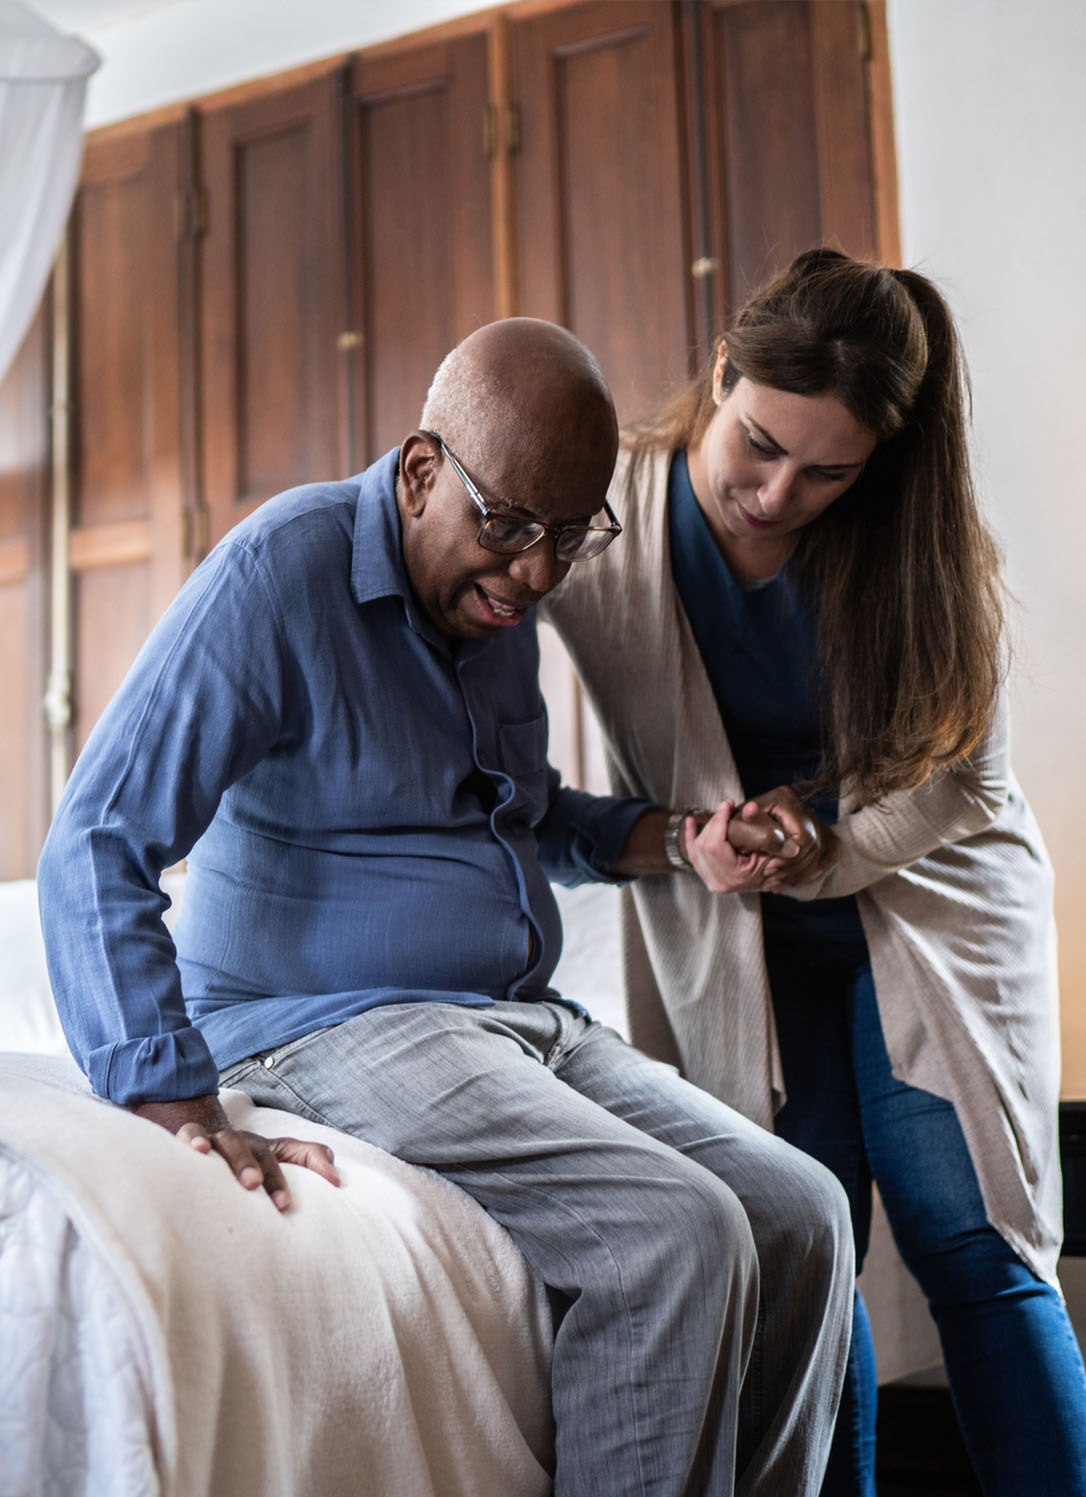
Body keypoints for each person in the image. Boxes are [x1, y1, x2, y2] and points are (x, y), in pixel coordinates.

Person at [38, 317, 854, 1497]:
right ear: (422, 472)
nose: (535, 574)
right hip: (328, 1021)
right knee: (673, 1238)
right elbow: (98, 838)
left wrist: (673, 837)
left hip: (516, 1017)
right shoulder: (280, 577)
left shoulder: (491, 608)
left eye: (569, 538)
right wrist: (175, 1101)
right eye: (510, 527)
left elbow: (520, 814)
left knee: (801, 1212)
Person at [541, 248, 1086, 1497]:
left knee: (974, 1243)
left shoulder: (921, 546)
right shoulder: (610, 515)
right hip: (743, 931)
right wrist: (699, 839)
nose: (779, 493)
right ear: (721, 374)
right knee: (802, 1244)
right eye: (758, 445)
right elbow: (455, 559)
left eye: (828, 471)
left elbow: (966, 783)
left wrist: (822, 844)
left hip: (931, 906)